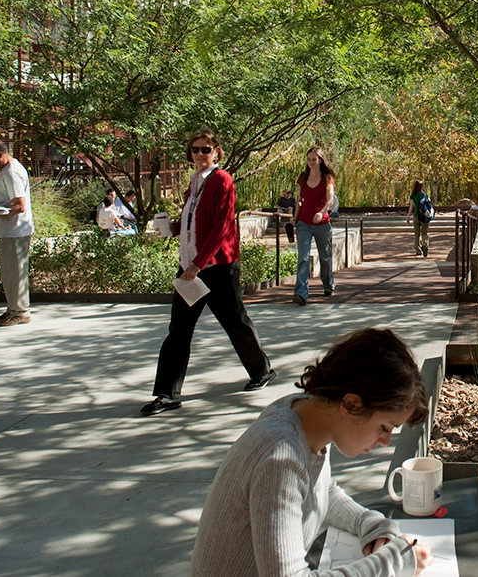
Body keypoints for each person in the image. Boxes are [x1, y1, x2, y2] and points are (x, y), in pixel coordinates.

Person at [191, 328, 435, 577]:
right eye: (384, 427)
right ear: (351, 404)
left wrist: (369, 522)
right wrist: (392, 563)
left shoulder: (304, 414)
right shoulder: (280, 458)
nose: (385, 441)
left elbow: (321, 490)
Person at [140, 129, 276, 416]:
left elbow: (222, 227)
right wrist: (172, 228)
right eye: (195, 149)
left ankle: (262, 370)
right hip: (191, 267)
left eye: (206, 149)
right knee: (178, 329)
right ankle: (166, 394)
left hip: (216, 267)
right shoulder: (194, 182)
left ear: (216, 152)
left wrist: (198, 263)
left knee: (235, 321)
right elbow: (193, 222)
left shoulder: (222, 180)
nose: (200, 154)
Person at [0, 140, 34, 327]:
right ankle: (13, 308)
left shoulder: (12, 172)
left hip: (15, 231)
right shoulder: (6, 171)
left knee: (15, 272)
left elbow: (20, 205)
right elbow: (8, 201)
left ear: (0, 155)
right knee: (9, 273)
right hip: (8, 231)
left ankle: (21, 311)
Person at [292, 147, 336, 305]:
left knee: (325, 257)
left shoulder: (326, 177)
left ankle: (328, 283)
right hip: (304, 223)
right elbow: (299, 200)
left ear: (320, 160)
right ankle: (301, 292)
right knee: (303, 257)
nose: (311, 162)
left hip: (322, 223)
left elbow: (330, 200)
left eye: (314, 159)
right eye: (309, 159)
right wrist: (294, 219)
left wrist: (322, 212)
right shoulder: (303, 177)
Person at [405, 180, 431, 258]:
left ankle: (418, 249)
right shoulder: (426, 195)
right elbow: (429, 204)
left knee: (417, 234)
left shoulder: (413, 196)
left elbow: (411, 207)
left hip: (416, 216)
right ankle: (425, 245)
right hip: (424, 216)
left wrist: (408, 216)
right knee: (425, 233)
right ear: (422, 186)